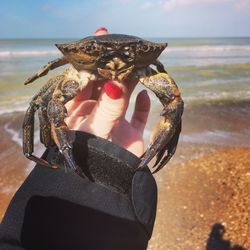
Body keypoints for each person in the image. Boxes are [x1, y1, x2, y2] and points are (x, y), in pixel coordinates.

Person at [0, 28, 158, 250]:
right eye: (93, 50)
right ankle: (58, 153)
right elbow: (44, 98)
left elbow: (173, 102)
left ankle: (58, 155)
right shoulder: (73, 73)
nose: (114, 57)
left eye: (137, 50)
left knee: (175, 103)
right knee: (44, 104)